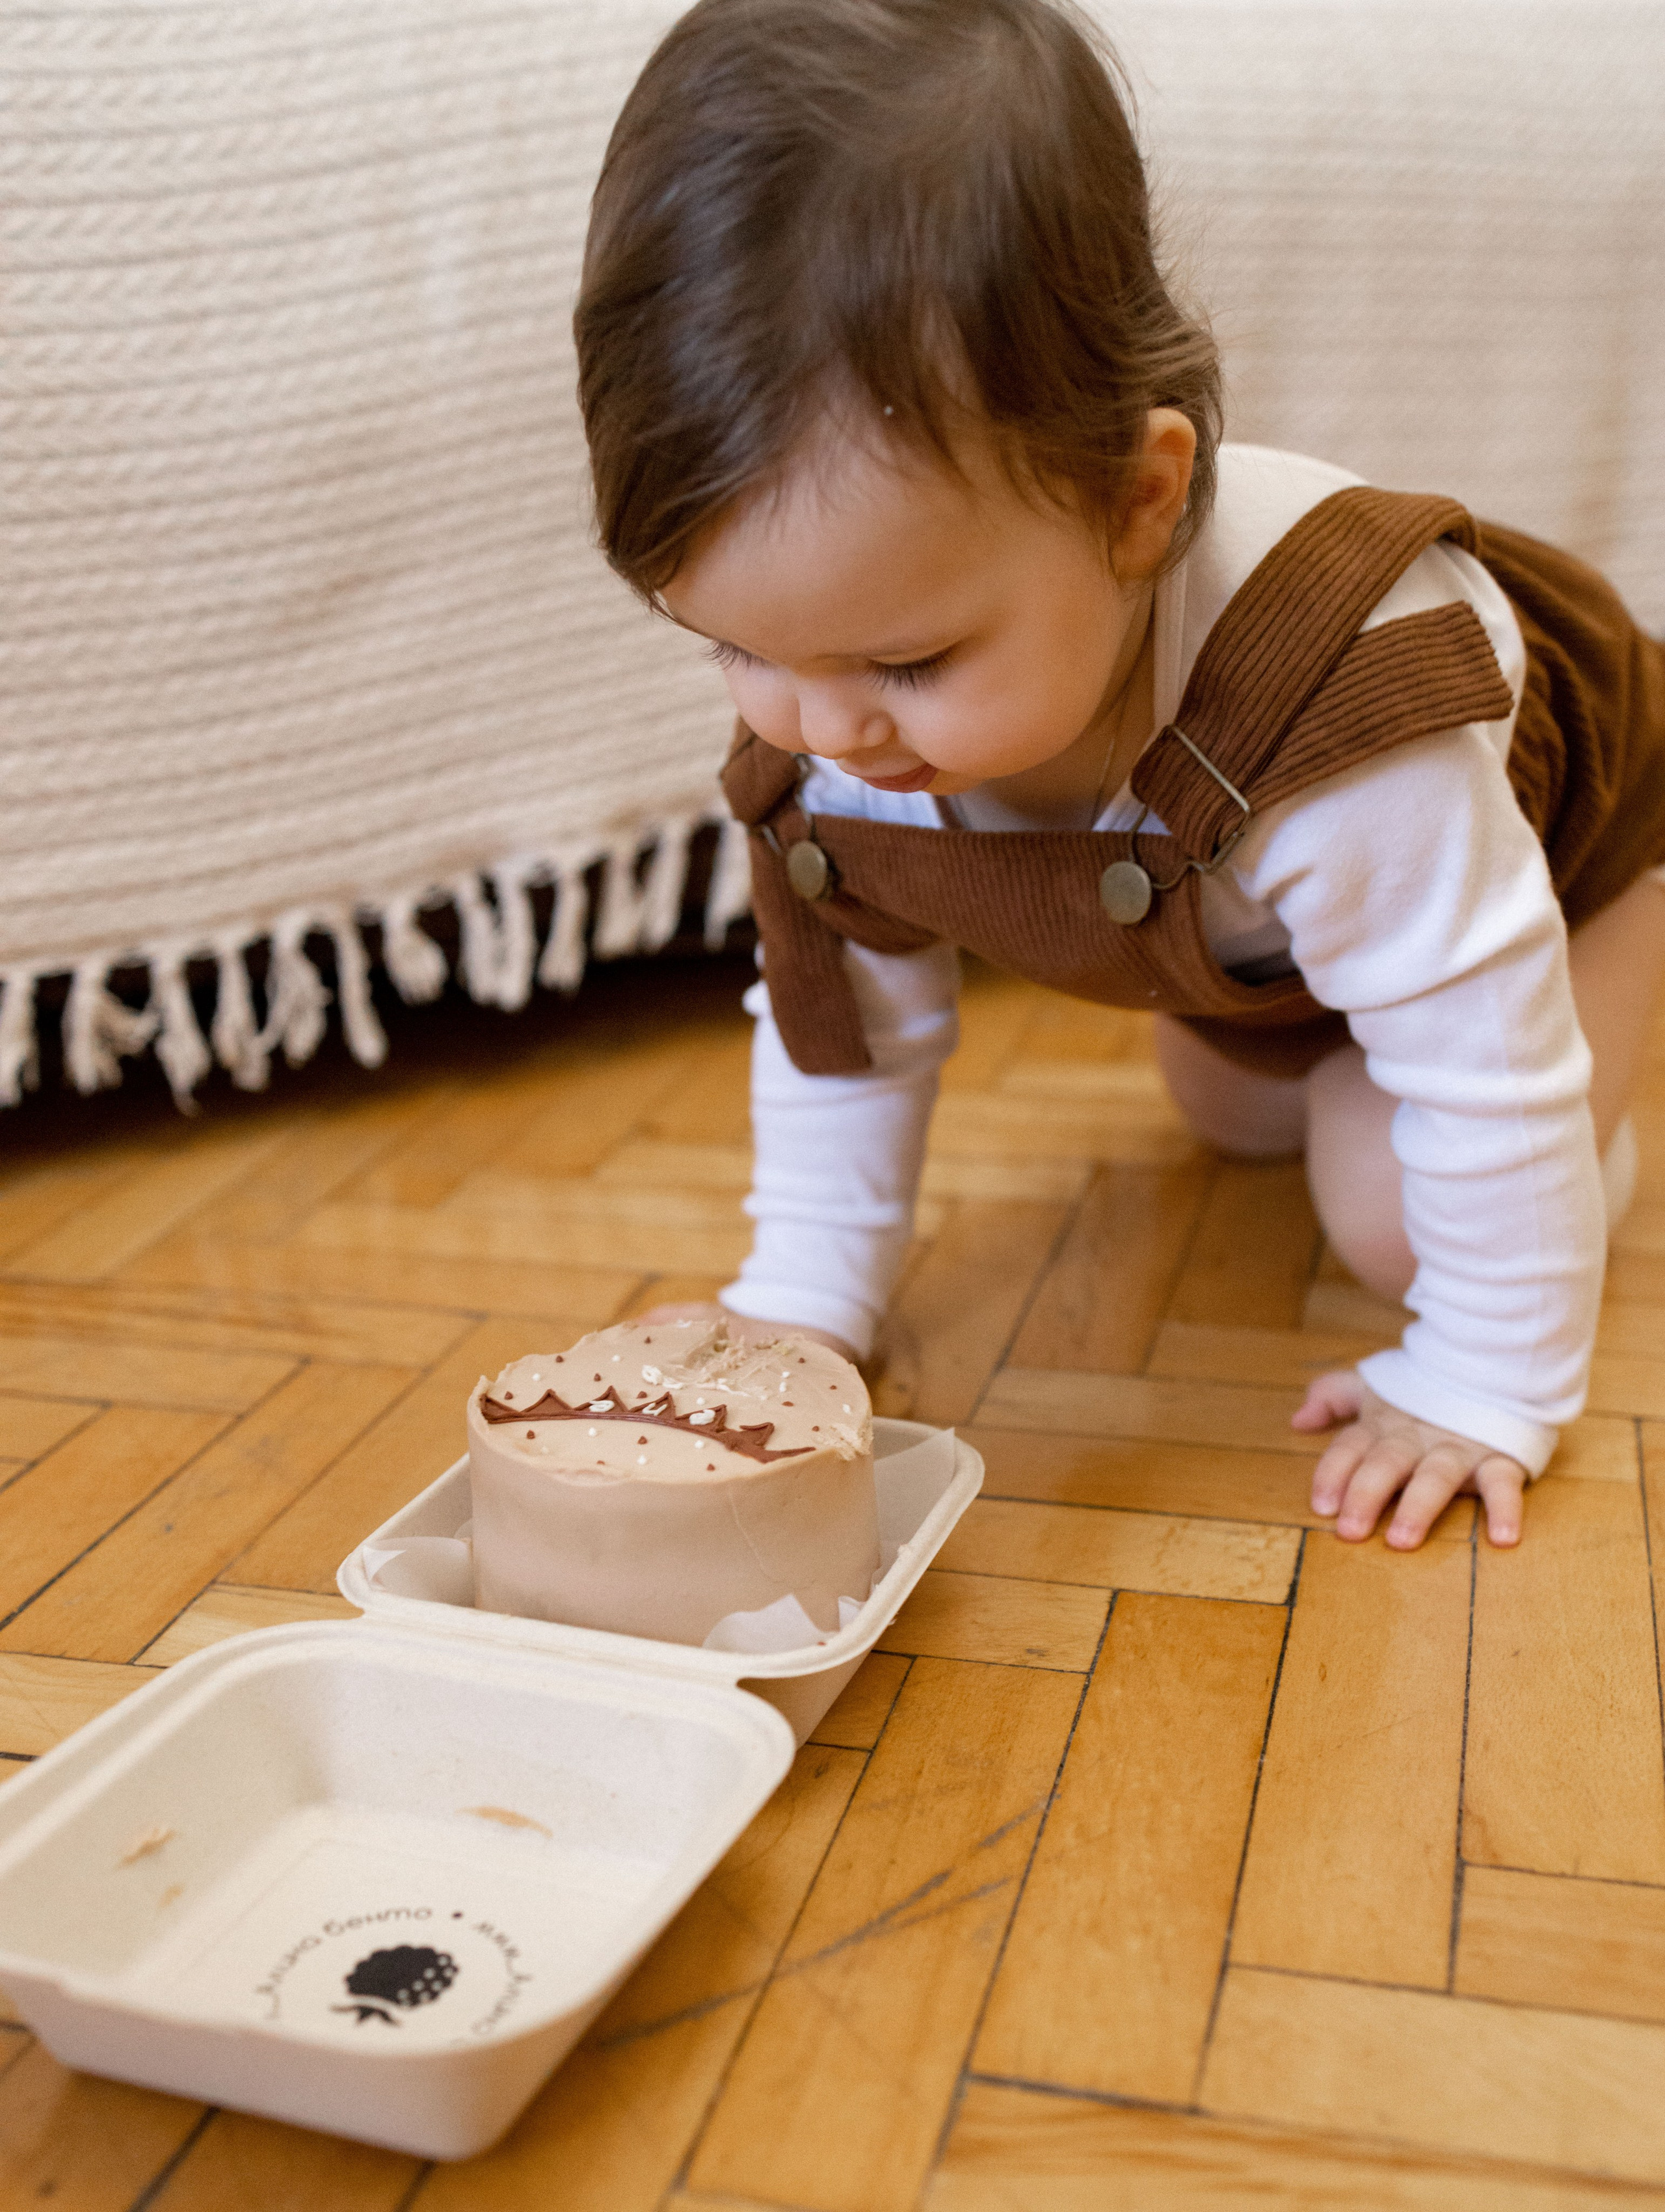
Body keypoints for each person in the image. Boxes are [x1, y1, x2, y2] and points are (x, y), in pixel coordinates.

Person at [573, 0, 1665, 1551]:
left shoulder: (1343, 717)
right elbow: (847, 1028)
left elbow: (1477, 1059)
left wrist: (1489, 1369)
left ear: (1138, 499)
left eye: (903, 664)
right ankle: (1321, 1013)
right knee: (1227, 1111)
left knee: (1387, 1220)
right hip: (1257, 939)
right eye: (734, 649)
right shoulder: (833, 711)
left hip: (1558, 848)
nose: (819, 728)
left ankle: (1632, 957)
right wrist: (804, 1303)